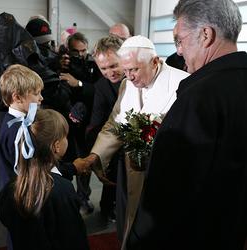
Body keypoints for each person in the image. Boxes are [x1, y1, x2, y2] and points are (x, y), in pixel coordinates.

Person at [126, 1, 247, 250]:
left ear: (205, 35)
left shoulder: (199, 97)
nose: (178, 51)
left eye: (179, 40)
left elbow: (169, 189)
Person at [79, 35, 189, 245]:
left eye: (135, 70)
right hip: (129, 171)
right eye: (126, 70)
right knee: (128, 224)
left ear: (155, 62)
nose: (128, 77)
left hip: (161, 177)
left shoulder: (183, 83)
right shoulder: (126, 84)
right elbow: (114, 125)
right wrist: (95, 155)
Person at [0, 107, 90, 250]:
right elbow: (74, 238)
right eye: (65, 136)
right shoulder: (63, 190)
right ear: (56, 146)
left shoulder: (11, 188)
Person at [59, 32, 102, 214]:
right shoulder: (61, 64)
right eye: (76, 52)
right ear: (69, 51)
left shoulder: (94, 64)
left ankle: (83, 198)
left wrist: (79, 84)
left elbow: (99, 90)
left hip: (86, 124)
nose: (81, 55)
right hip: (66, 124)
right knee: (66, 163)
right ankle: (67, 201)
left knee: (85, 163)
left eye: (84, 50)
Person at [86, 35, 124, 222]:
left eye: (113, 65)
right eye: (103, 68)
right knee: (111, 180)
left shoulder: (137, 78)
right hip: (113, 140)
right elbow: (97, 120)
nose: (110, 72)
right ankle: (107, 209)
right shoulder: (101, 86)